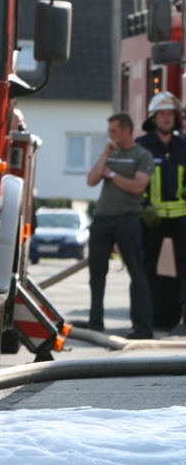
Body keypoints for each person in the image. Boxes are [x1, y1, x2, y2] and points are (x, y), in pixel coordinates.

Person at [85, 112, 154, 339]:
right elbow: (92, 179)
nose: (110, 135)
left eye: (114, 131)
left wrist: (112, 174)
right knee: (97, 272)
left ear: (126, 130)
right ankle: (95, 323)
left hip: (128, 218)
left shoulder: (141, 155)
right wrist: (105, 156)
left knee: (137, 272)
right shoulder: (110, 153)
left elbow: (138, 187)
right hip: (103, 219)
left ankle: (142, 327)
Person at [135, 91, 186, 334]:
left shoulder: (184, 144)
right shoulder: (142, 146)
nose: (166, 118)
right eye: (162, 114)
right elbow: (134, 181)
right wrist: (144, 208)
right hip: (150, 218)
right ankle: (144, 323)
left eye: (170, 114)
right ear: (153, 118)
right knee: (145, 269)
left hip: (182, 216)